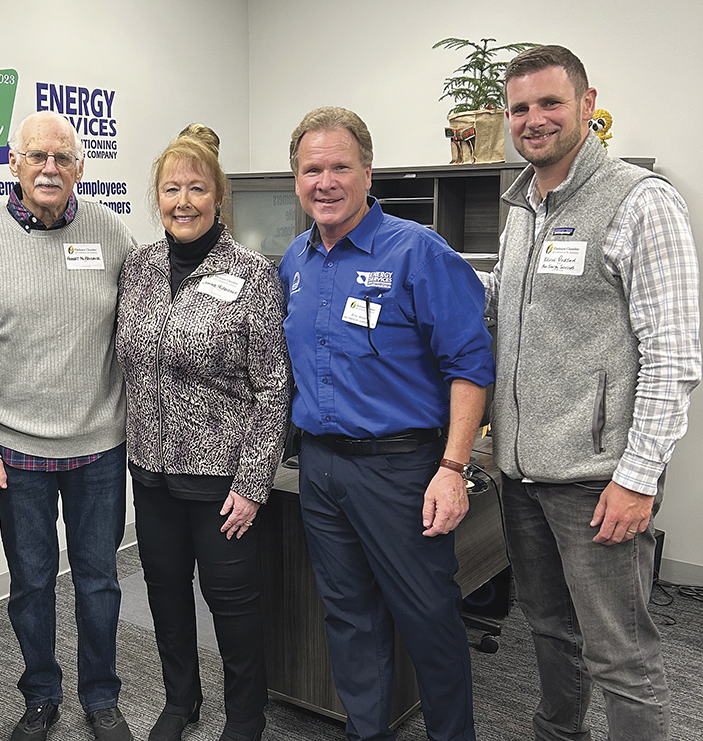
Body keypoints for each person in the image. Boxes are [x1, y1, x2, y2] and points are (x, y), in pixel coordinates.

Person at [482, 45, 700, 741]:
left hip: (597, 484)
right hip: (520, 474)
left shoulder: (641, 201)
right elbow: (507, 310)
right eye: (520, 108)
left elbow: (674, 354)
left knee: (621, 654)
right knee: (549, 632)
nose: (534, 119)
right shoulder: (524, 207)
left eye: (550, 102)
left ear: (587, 103)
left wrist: (638, 478)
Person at [278, 106, 495, 741]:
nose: (325, 181)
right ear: (297, 179)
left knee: (427, 618)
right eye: (311, 169)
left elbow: (470, 365)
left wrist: (453, 467)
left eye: (340, 166)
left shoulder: (418, 252)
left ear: (367, 172)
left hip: (401, 469)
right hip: (319, 467)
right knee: (348, 615)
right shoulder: (296, 261)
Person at [0, 110, 137, 741]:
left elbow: (138, 328)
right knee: (31, 584)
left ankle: (101, 697)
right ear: (14, 165)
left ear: (81, 168)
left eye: (62, 158)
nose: (50, 168)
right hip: (14, 449)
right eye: (37, 157)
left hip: (100, 450)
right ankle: (40, 697)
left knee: (99, 581)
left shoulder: (110, 231)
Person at [115, 125, 291, 741]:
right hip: (153, 471)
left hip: (223, 480)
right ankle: (180, 701)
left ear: (219, 197)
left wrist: (253, 482)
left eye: (196, 188)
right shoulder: (137, 270)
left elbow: (273, 387)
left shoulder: (252, 274)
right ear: (156, 197)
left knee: (233, 605)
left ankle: (246, 716)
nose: (182, 201)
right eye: (171, 189)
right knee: (164, 592)